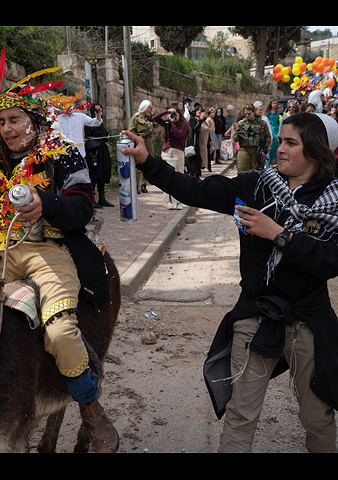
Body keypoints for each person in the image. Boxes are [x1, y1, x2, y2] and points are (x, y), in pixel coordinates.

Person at [122, 111, 338, 453]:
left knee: (317, 416)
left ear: (316, 150)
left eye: (290, 143)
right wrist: (148, 160)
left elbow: (330, 261)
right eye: (280, 140)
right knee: (240, 415)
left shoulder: (334, 203)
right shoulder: (255, 185)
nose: (280, 149)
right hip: (255, 315)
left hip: (308, 323)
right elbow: (195, 191)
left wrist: (279, 235)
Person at [0, 49, 119, 453]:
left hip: (49, 250)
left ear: (36, 122)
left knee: (60, 331)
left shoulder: (65, 155)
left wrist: (47, 204)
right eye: (1, 121)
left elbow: (82, 206)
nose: (6, 129)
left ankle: (91, 409)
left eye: (15, 120)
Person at [153, 103, 190, 209]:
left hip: (177, 153)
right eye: (173, 114)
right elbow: (155, 117)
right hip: (166, 152)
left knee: (178, 177)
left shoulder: (184, 125)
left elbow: (178, 134)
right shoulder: (167, 123)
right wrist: (167, 112)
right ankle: (167, 201)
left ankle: (178, 202)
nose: (174, 116)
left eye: (176, 114)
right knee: (165, 177)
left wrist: (173, 123)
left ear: (180, 115)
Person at [84, 103, 114, 206]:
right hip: (92, 151)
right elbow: (99, 134)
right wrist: (102, 135)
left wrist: (103, 135)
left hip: (101, 151)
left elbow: (104, 136)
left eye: (100, 110)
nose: (98, 113)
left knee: (102, 175)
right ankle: (92, 200)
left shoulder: (100, 122)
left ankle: (102, 198)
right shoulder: (88, 121)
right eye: (97, 111)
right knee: (93, 175)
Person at [233, 104, 271, 172]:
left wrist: (265, 148)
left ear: (254, 112)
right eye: (245, 114)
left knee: (256, 172)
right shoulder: (241, 124)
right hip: (244, 149)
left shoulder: (262, 123)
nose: (247, 116)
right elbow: (235, 138)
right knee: (242, 171)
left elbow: (267, 136)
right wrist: (238, 136)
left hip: (257, 150)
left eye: (249, 114)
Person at [128, 100, 155, 193]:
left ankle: (144, 184)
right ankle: (136, 185)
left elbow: (156, 125)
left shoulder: (149, 118)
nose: (151, 109)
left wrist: (153, 116)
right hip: (140, 142)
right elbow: (131, 131)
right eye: (149, 107)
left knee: (148, 163)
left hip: (149, 142)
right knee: (138, 164)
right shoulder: (136, 118)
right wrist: (137, 140)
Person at [265, 99, 281, 166]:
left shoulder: (278, 112)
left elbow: (278, 122)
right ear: (271, 104)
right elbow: (265, 121)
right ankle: (268, 163)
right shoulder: (267, 112)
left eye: (276, 103)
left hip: (276, 130)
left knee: (276, 146)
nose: (275, 105)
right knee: (269, 146)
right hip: (269, 129)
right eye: (273, 103)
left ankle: (275, 162)